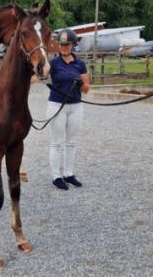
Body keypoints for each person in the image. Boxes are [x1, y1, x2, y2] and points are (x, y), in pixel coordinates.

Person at [46, 28, 90, 190]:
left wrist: (81, 84)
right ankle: (56, 176)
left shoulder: (80, 64)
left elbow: (87, 88)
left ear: (73, 45)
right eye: (62, 44)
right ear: (59, 46)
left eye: (67, 44)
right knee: (57, 142)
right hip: (57, 106)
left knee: (71, 142)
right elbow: (41, 75)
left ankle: (69, 174)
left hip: (76, 107)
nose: (64, 47)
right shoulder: (53, 63)